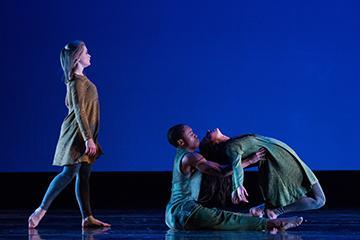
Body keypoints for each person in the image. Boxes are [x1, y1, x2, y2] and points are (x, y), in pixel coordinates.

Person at [28, 40, 110, 228]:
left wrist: (91, 136)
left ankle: (87, 217)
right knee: (69, 172)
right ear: (77, 57)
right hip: (77, 133)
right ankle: (40, 211)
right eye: (86, 52)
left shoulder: (82, 79)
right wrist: (88, 138)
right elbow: (79, 110)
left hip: (86, 132)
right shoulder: (75, 81)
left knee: (84, 174)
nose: (89, 55)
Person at [165, 124, 303, 231]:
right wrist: (250, 160)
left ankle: (252, 217)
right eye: (190, 134)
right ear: (181, 142)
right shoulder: (191, 157)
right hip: (184, 212)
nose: (195, 135)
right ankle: (276, 223)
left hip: (174, 214)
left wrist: (244, 162)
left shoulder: (181, 156)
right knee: (223, 219)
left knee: (216, 215)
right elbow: (221, 171)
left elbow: (223, 165)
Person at [199, 128, 326, 219]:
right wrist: (237, 185)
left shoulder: (233, 142)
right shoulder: (229, 148)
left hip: (288, 159)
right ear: (213, 144)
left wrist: (250, 160)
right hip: (281, 164)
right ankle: (274, 211)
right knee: (319, 200)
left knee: (318, 200)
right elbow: (236, 165)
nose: (207, 132)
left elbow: (234, 166)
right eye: (206, 138)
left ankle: (263, 210)